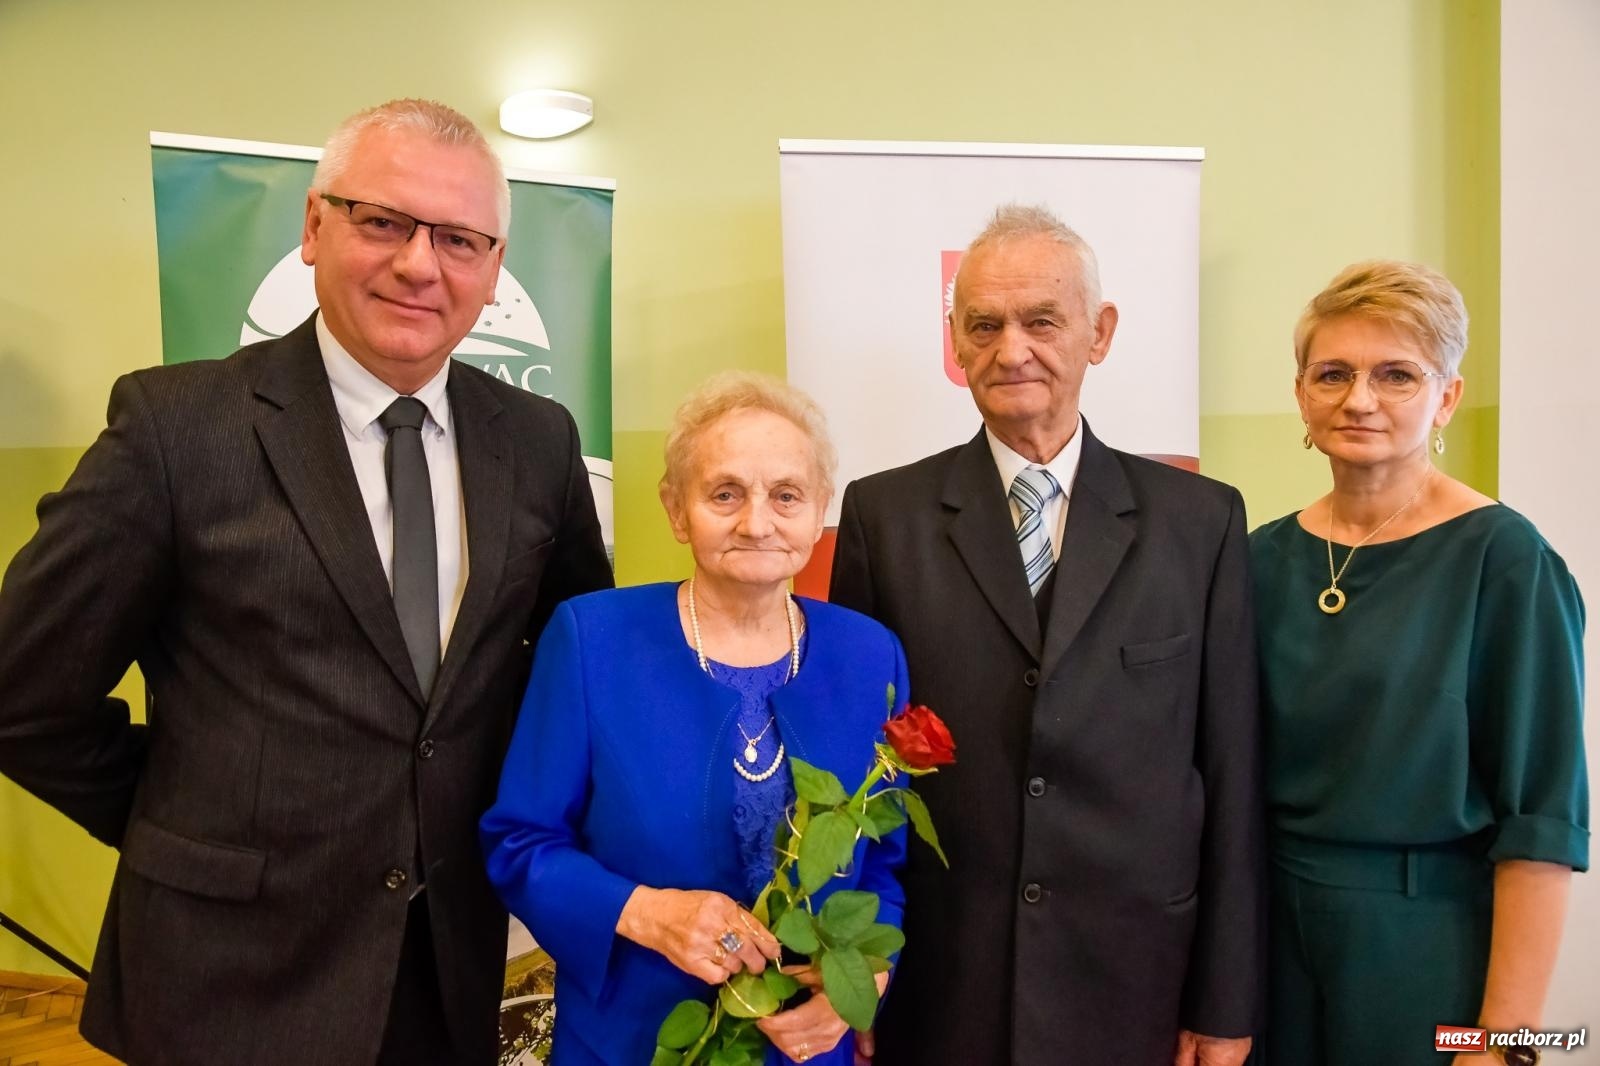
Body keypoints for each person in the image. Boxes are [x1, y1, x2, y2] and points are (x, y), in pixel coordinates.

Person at [0, 98, 612, 1065]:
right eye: (383, 221)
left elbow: (573, 673)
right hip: (228, 970)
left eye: (460, 238)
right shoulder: (175, 427)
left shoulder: (538, 441)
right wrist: (179, 821)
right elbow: (23, 691)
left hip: (449, 960)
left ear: (494, 268)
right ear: (314, 227)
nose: (421, 264)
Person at [829, 204, 1262, 1066]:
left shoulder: (1200, 523)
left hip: (1138, 981)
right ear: (955, 343)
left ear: (1099, 334)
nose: (1011, 348)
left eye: (1042, 320)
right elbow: (860, 770)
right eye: (983, 325)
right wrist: (855, 974)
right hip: (939, 985)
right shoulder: (883, 515)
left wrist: (1224, 1001)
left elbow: (1231, 774)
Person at [481, 372, 909, 1065]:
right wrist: (647, 912)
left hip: (802, 1050)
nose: (757, 521)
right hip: (631, 1041)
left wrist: (863, 985)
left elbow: (886, 866)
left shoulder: (870, 654)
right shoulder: (592, 640)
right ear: (677, 510)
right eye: (725, 493)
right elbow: (519, 843)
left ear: (819, 507)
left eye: (786, 495)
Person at [1250, 260, 1587, 1065]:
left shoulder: (1505, 559)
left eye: (1395, 374)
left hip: (1426, 944)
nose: (1358, 399)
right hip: (1266, 942)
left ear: (1446, 398)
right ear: (1301, 395)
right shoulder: (1259, 558)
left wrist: (1501, 1043)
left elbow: (1542, 819)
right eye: (1333, 373)